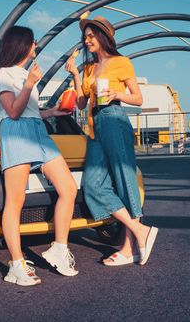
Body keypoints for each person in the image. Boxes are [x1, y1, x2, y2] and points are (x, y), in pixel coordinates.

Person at [0, 26, 78, 286]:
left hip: (37, 131)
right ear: (21, 45)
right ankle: (16, 264)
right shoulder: (3, 74)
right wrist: (29, 84)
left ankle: (59, 248)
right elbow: (13, 112)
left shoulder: (25, 74)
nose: (36, 45)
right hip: (15, 134)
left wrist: (52, 113)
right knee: (14, 202)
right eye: (33, 42)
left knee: (68, 188)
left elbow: (29, 112)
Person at [65, 16, 158, 266]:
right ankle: (140, 231)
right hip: (95, 126)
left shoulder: (121, 62)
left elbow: (138, 99)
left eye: (91, 36)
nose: (87, 41)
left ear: (104, 36)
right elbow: (82, 103)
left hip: (115, 119)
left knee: (124, 179)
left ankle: (128, 249)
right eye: (85, 37)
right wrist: (75, 74)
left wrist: (117, 93)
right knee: (94, 186)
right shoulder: (87, 68)